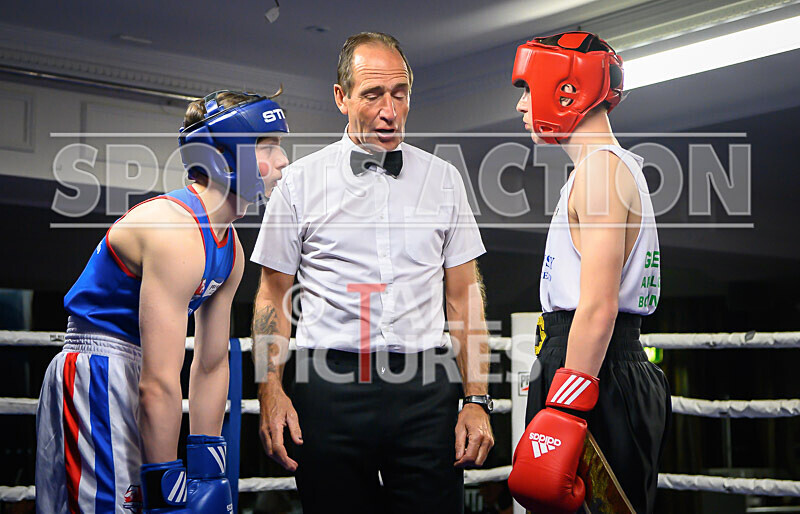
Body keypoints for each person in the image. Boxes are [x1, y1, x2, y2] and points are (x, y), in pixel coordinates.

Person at [251, 32, 493, 513]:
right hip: (329, 385)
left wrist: (478, 399)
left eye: (399, 93)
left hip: (425, 386)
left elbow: (464, 295)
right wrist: (270, 389)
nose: (390, 110)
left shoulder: (443, 180)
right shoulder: (299, 183)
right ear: (341, 97)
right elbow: (271, 296)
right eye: (373, 94)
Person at [35, 90, 289, 513]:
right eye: (267, 146)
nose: (282, 162)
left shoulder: (231, 249)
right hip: (100, 367)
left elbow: (210, 364)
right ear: (222, 154)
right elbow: (159, 381)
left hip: (138, 368)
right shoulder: (175, 231)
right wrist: (167, 481)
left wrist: (208, 469)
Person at [505, 32, 671, 513]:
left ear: (565, 91)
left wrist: (564, 408)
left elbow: (597, 307)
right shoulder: (604, 169)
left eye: (526, 90)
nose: (520, 106)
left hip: (594, 367)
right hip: (598, 363)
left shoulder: (601, 172)